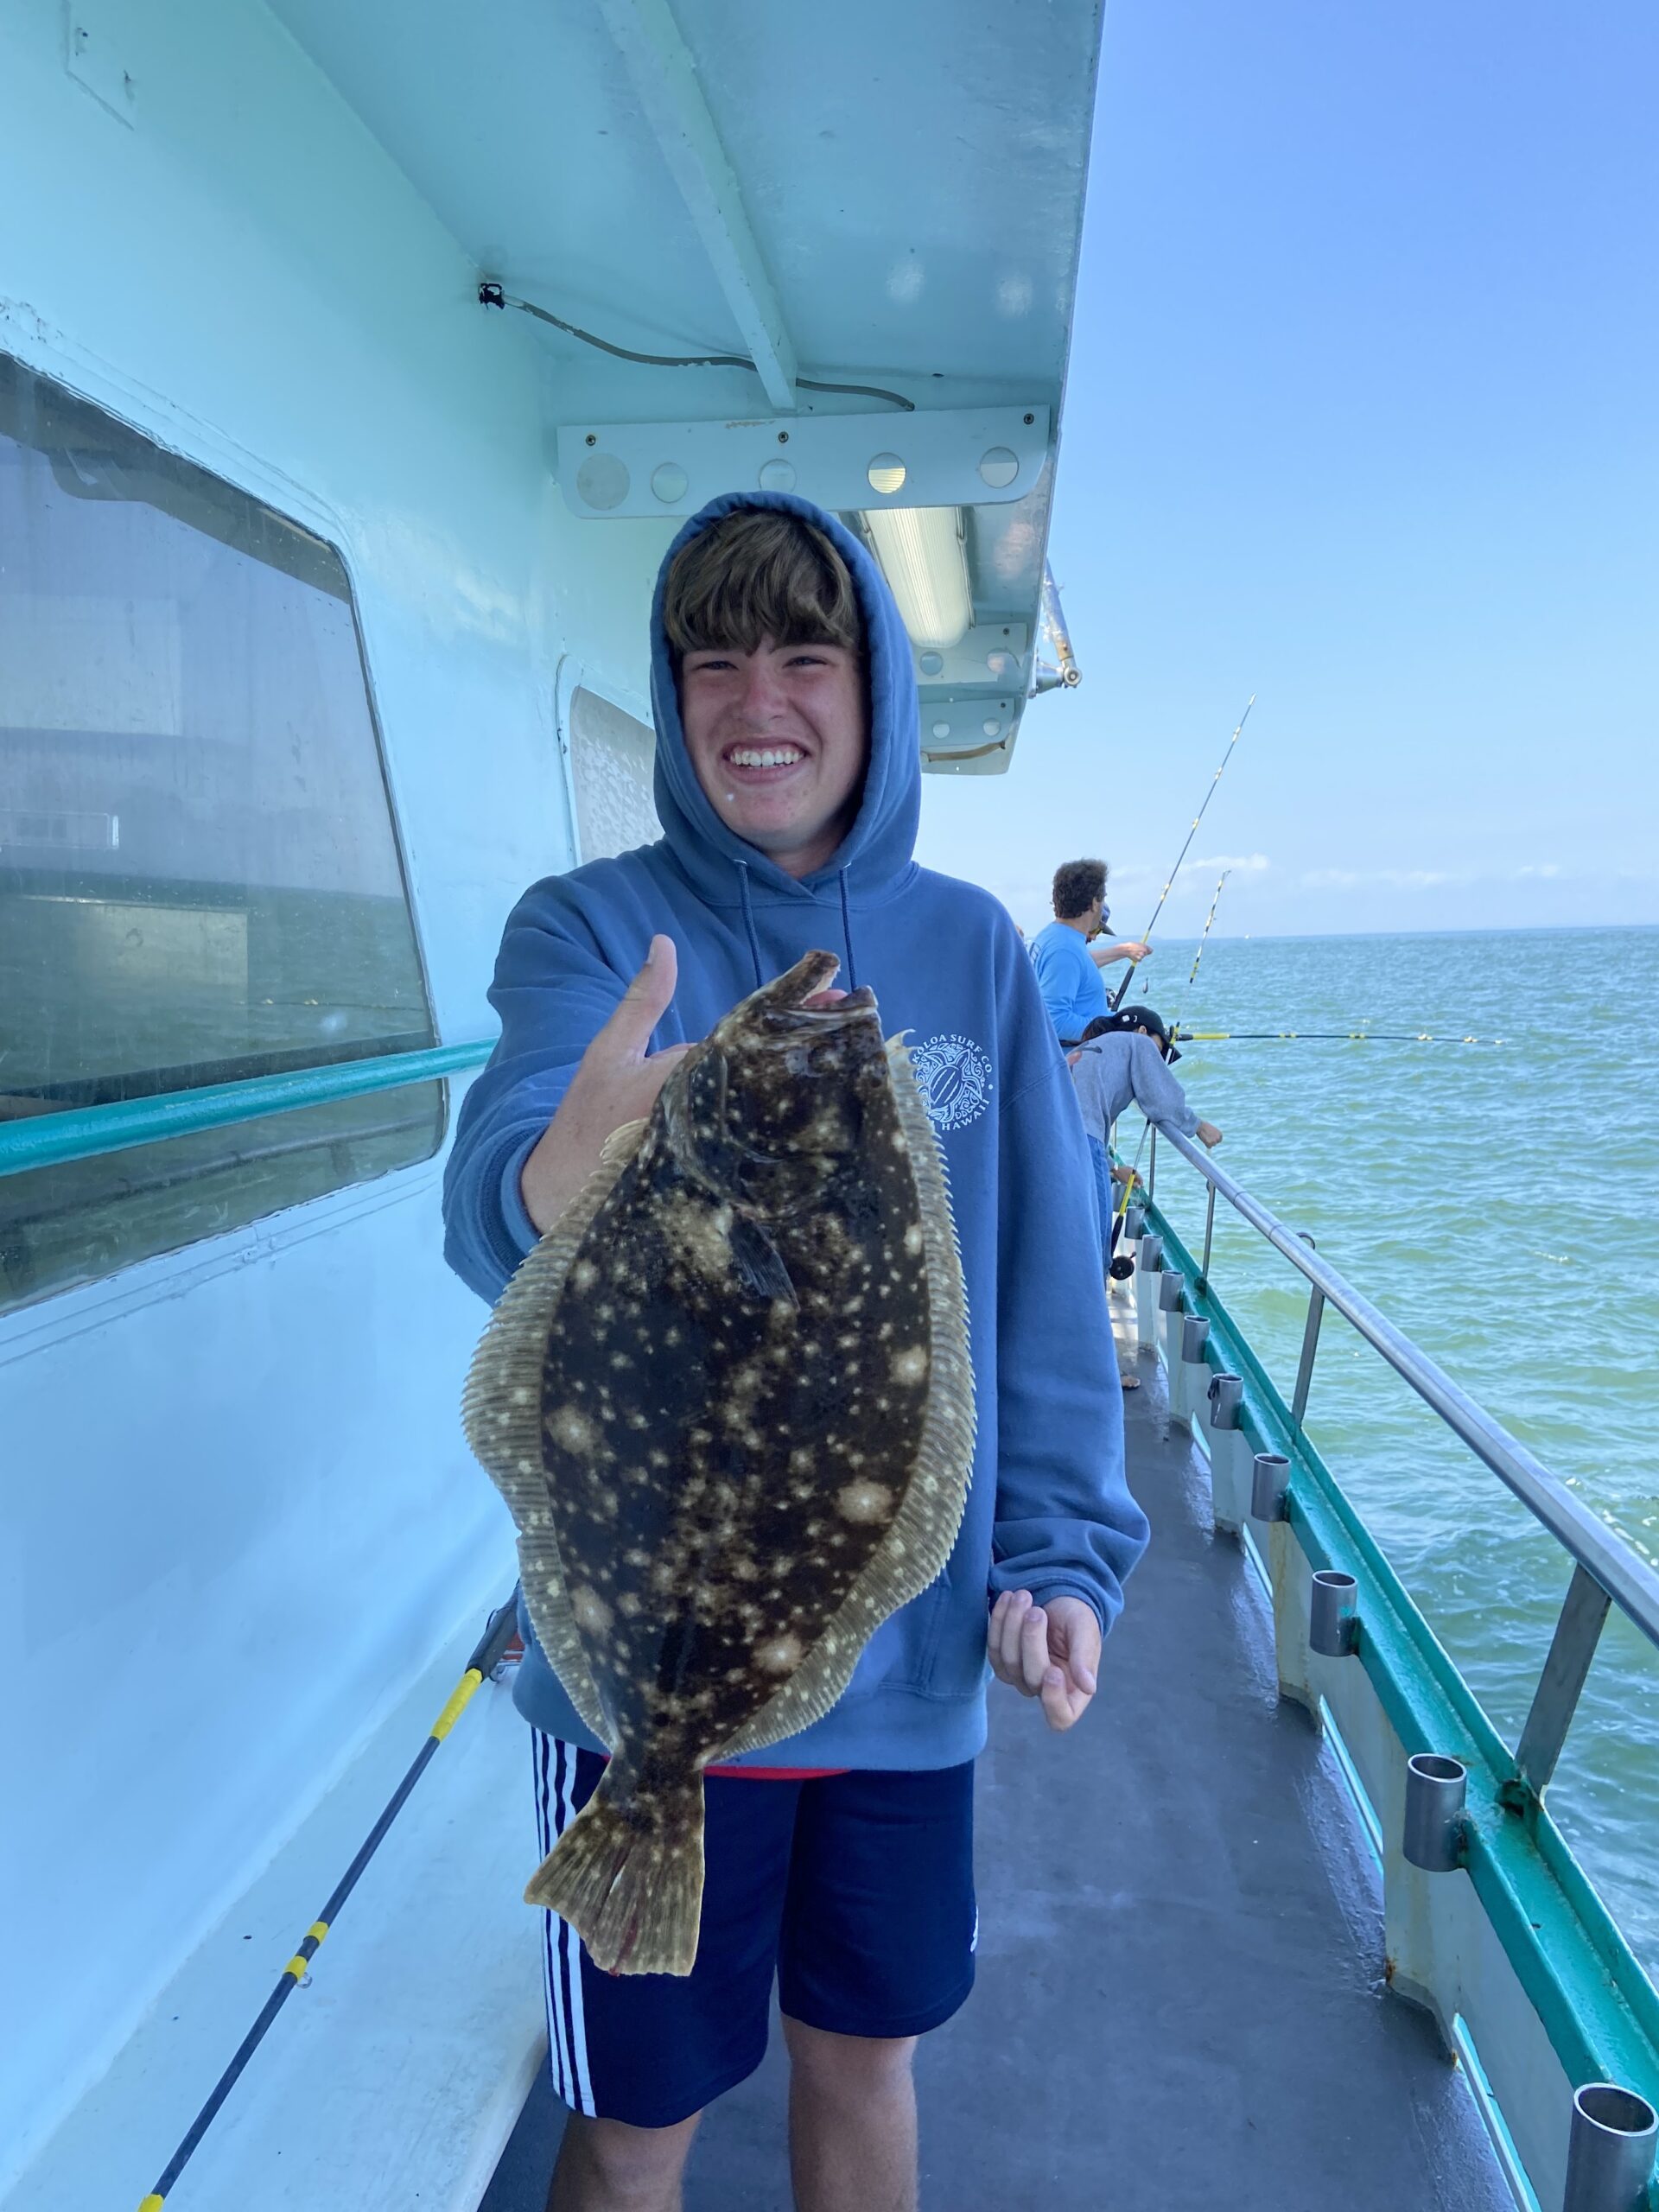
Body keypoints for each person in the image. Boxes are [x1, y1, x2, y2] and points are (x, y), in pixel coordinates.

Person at [442, 493, 1148, 2212]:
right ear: (676, 695)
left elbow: (1042, 1290)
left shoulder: (977, 946)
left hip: (904, 1674)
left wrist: (1059, 1553)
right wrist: (566, 1163)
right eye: (712, 659)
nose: (756, 696)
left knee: (867, 2059)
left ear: (877, 685)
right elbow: (497, 1192)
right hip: (637, 1685)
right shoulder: (595, 931)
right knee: (636, 2120)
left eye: (804, 651)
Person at [1028, 859, 1151, 1044]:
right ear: (1095, 903)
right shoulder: (1064, 949)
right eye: (1104, 898)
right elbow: (1055, 1021)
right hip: (1071, 1068)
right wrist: (1114, 1030)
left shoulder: (1053, 936)